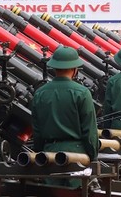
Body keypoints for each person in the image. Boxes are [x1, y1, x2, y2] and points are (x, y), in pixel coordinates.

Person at [31, 46, 100, 184]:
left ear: (54, 68)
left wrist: (40, 154)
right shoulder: (82, 93)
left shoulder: (40, 93)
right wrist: (92, 156)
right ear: (75, 70)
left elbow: (37, 132)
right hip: (77, 156)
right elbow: (90, 131)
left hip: (49, 155)